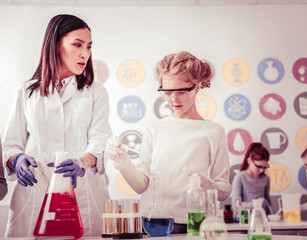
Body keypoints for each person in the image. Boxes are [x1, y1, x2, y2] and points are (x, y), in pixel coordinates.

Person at [2, 14, 112, 237]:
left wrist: (82, 162)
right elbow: (11, 145)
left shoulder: (95, 92)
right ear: (55, 44)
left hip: (83, 193)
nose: (85, 54)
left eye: (89, 47)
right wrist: (18, 159)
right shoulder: (26, 92)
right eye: (77, 44)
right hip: (35, 192)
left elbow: (101, 139)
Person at [106, 51, 232, 234]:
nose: (174, 99)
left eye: (181, 91)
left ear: (197, 87)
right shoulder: (155, 128)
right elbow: (141, 185)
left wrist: (207, 184)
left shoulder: (213, 131)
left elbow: (225, 190)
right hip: (152, 222)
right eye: (167, 92)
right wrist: (122, 163)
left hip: (192, 223)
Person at [231, 142, 272, 214]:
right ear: (249, 161)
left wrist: (273, 215)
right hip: (246, 219)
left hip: (263, 218)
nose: (262, 170)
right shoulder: (240, 178)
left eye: (264, 167)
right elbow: (235, 206)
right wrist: (251, 205)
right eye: (259, 166)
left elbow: (269, 204)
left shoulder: (266, 179)